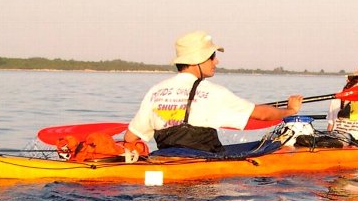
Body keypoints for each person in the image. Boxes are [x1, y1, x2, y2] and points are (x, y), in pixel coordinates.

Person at [122, 31, 303, 155]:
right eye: (212, 56)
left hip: (166, 161)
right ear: (197, 60)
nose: (216, 61)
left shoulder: (155, 91)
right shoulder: (214, 93)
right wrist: (290, 111)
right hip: (205, 176)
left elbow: (130, 138)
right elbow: (263, 115)